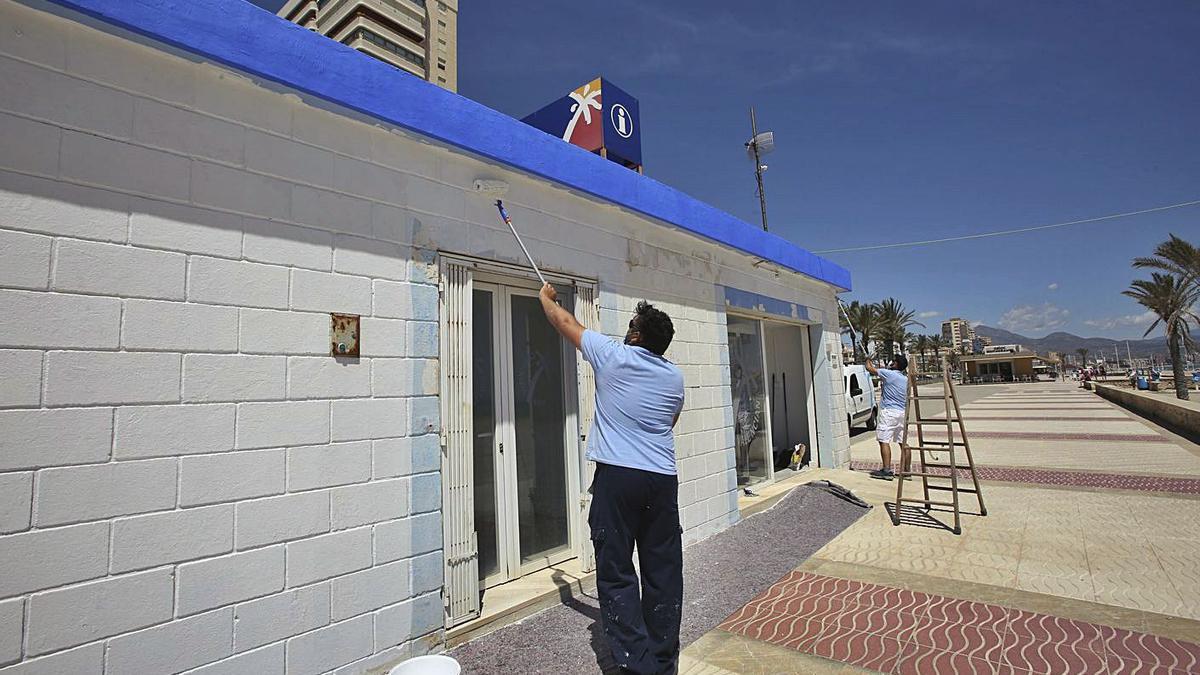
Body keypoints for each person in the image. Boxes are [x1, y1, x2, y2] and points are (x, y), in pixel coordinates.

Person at [537, 283, 686, 675]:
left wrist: (545, 299)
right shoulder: (674, 378)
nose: (627, 328)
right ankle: (662, 662)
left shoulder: (613, 356)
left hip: (618, 480)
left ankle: (637, 666)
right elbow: (669, 423)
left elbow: (565, 322)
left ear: (636, 334)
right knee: (663, 571)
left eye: (631, 323)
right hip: (661, 480)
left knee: (617, 571)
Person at [865, 354, 909, 481]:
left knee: (884, 440)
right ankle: (907, 471)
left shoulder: (888, 373)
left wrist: (868, 359)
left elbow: (869, 368)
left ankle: (886, 470)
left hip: (889, 412)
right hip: (901, 413)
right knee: (903, 442)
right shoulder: (904, 379)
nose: (891, 362)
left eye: (893, 361)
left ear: (896, 364)